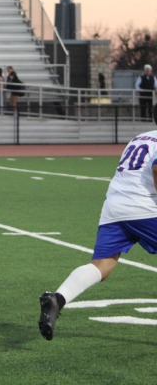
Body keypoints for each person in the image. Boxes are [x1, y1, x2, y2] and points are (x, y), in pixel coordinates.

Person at [38, 103, 157, 341]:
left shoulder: (139, 138)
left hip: (114, 207)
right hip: (144, 208)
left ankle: (58, 298)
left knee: (102, 265)